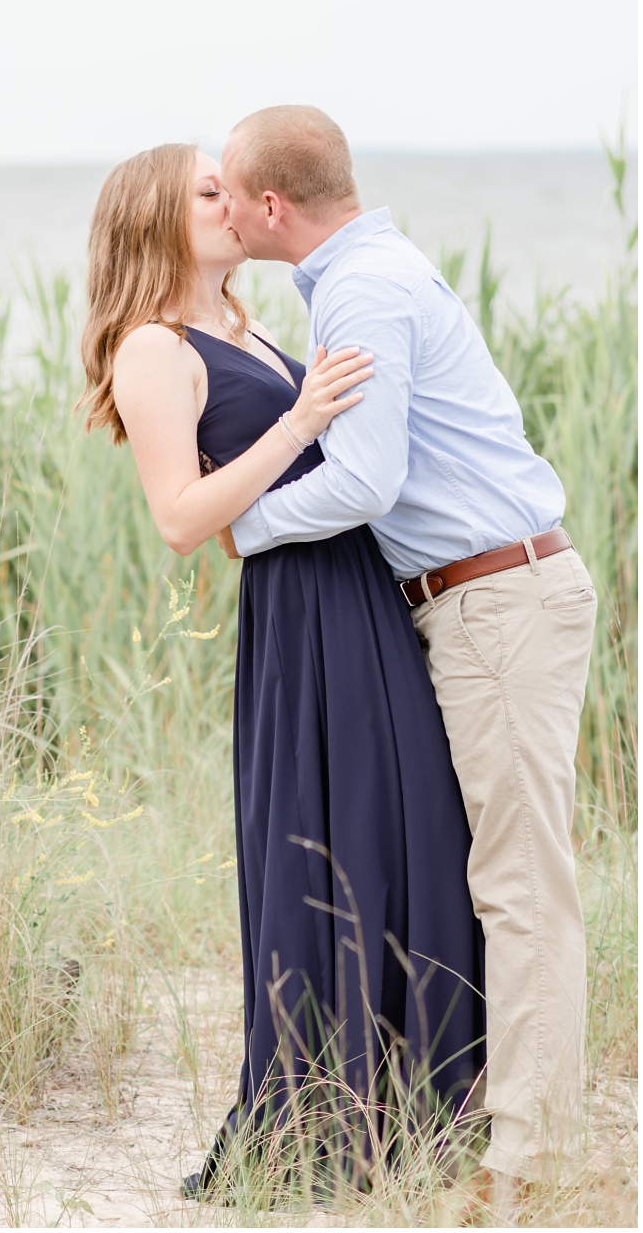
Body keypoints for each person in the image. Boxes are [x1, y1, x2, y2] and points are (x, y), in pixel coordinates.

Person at [79, 142, 486, 1202]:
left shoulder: (247, 323)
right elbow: (180, 520)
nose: (234, 204)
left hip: (360, 590)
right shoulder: (152, 348)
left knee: (415, 826)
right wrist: (302, 421)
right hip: (301, 614)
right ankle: (321, 1113)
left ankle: (420, 1098)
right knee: (329, 839)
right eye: (207, 191)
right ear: (157, 217)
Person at [221, 105, 599, 1209]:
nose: (227, 210)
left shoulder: (364, 289)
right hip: (483, 597)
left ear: (272, 206)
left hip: (497, 603)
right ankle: (492, 1113)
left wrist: (242, 525)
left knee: (521, 886)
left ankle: (528, 1164)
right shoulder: (367, 272)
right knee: (500, 874)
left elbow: (367, 481)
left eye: (232, 192)